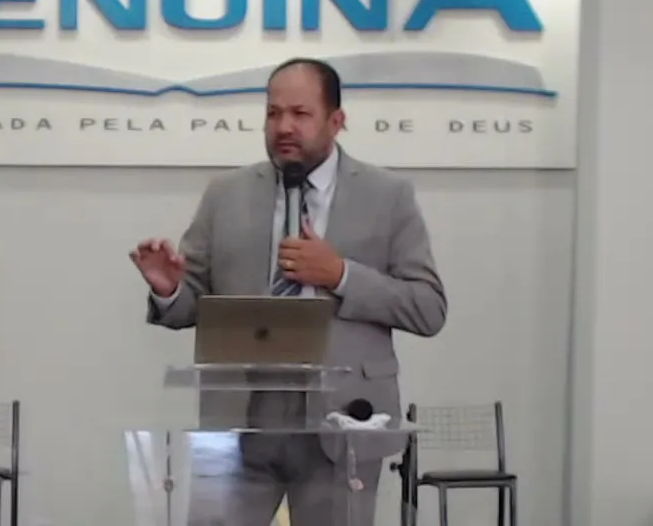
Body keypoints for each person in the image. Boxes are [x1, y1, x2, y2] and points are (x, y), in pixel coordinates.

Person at [130, 57, 447, 526]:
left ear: (336, 121)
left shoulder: (388, 195)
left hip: (342, 422)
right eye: (273, 113)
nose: (283, 127)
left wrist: (340, 274)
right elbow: (193, 301)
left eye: (300, 114)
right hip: (240, 420)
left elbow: (428, 307)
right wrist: (170, 290)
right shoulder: (226, 194)